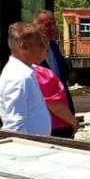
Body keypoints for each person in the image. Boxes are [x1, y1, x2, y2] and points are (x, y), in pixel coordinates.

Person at [0, 22, 51, 136]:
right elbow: (14, 126)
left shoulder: (25, 72)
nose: (45, 53)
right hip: (30, 150)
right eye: (40, 44)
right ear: (24, 47)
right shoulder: (18, 78)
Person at [33, 9, 76, 137]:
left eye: (54, 24)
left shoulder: (54, 47)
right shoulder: (31, 53)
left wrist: (70, 115)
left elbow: (61, 81)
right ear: (36, 27)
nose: (53, 28)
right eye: (47, 25)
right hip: (44, 120)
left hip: (64, 117)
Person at [34, 63, 79, 138]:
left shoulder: (14, 70)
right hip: (57, 126)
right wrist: (74, 122)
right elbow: (55, 104)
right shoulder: (41, 73)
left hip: (37, 127)